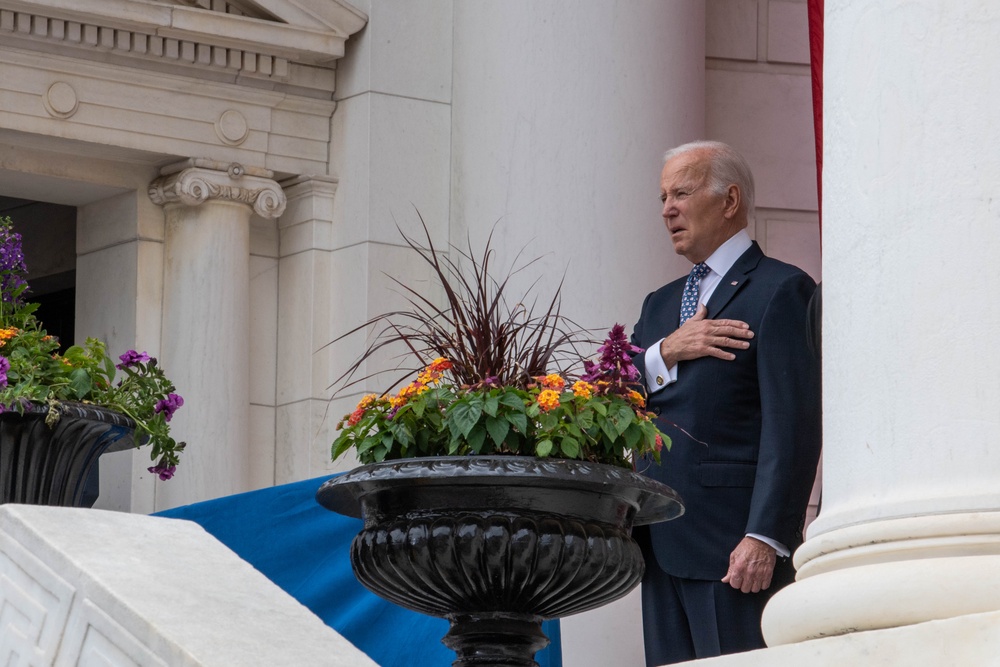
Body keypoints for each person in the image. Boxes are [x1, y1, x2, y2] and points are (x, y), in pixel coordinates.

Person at [630, 140, 821, 665]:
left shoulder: (781, 290)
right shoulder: (660, 304)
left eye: (682, 192)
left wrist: (766, 534)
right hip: (659, 543)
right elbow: (612, 399)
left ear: (730, 200)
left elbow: (794, 425)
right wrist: (667, 349)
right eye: (663, 196)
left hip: (733, 550)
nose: (667, 208)